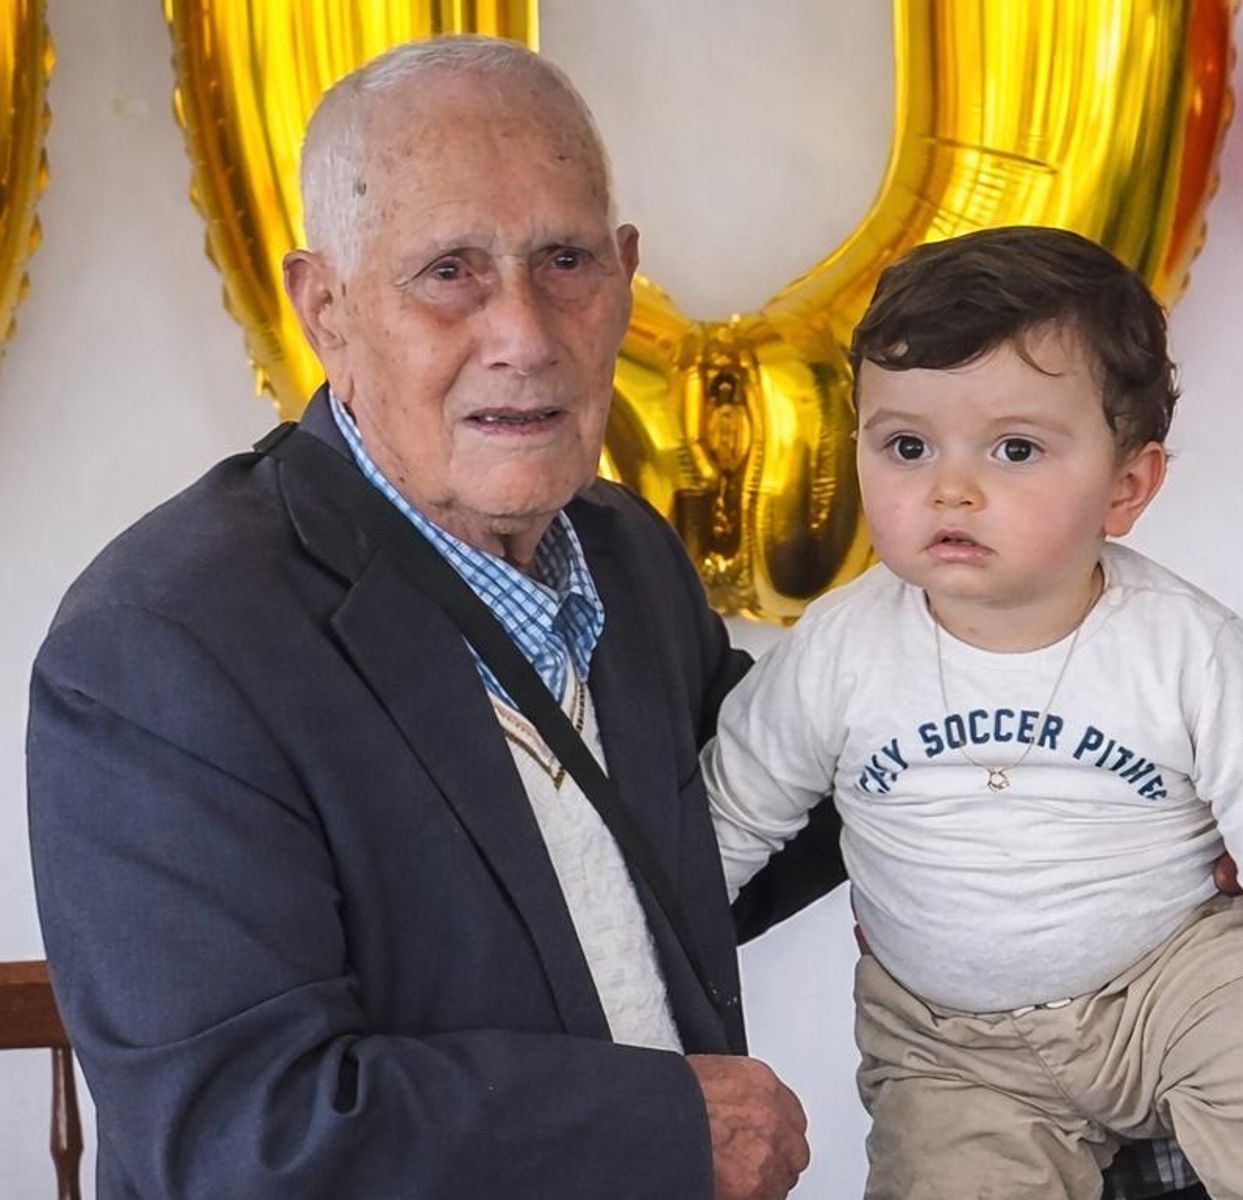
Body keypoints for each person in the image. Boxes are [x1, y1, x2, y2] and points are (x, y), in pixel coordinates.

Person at [26, 35, 821, 1200]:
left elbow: (725, 836)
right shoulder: (157, 643)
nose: (525, 335)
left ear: (625, 274)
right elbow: (240, 1138)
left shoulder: (625, 549)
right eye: (448, 270)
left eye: (565, 260)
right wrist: (661, 1133)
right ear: (326, 309)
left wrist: (1125, 792)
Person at [706, 226, 1243, 1199]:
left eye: (1014, 448)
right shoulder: (838, 650)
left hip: (1176, 983)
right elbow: (726, 821)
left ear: (1126, 486)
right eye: (906, 444)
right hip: (949, 1041)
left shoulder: (1184, 647)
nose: (949, 486)